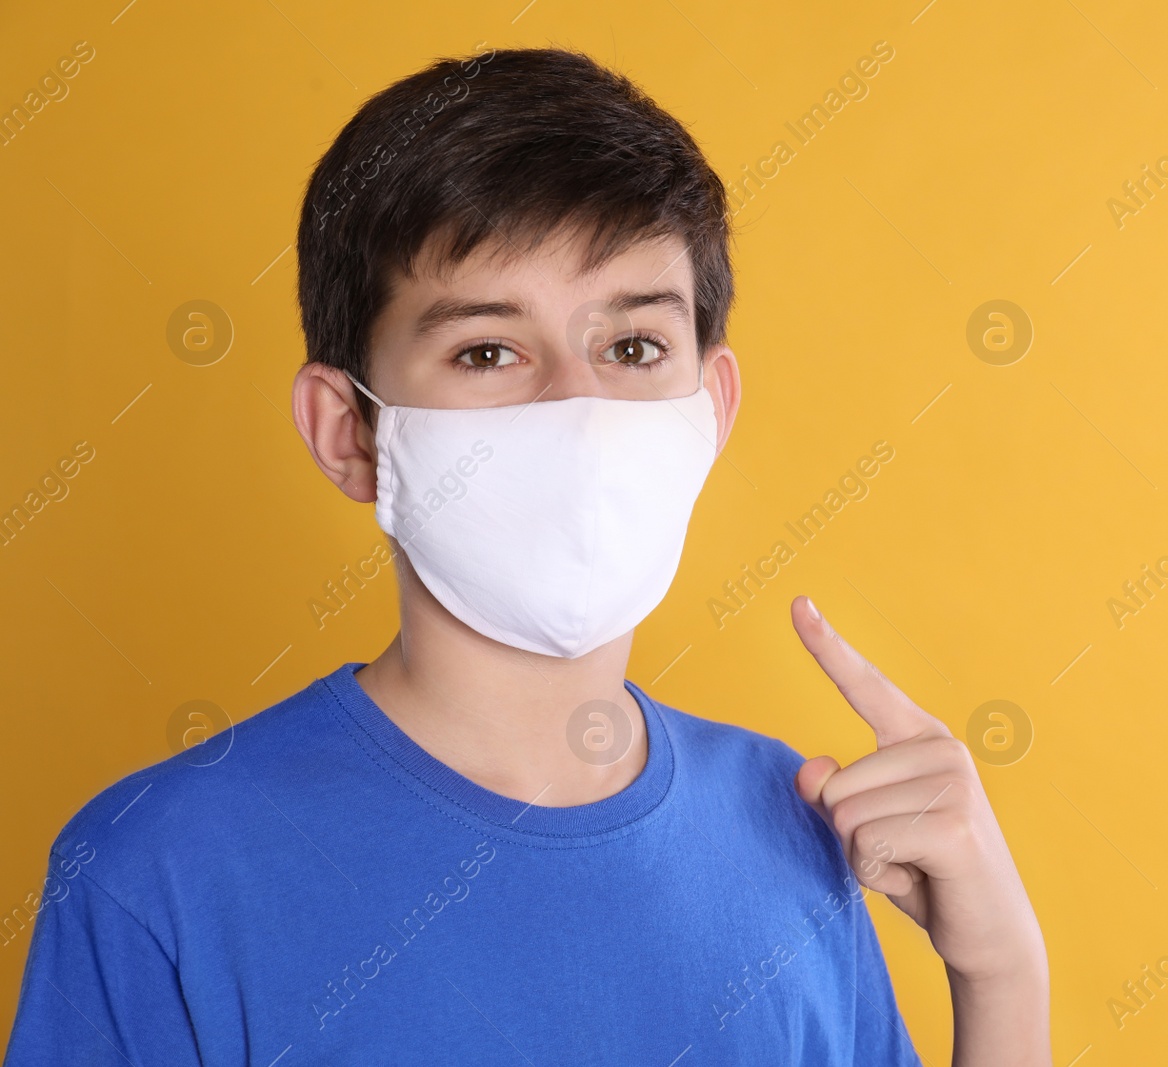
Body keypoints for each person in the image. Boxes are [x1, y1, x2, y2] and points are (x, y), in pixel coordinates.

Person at [3, 46, 1049, 1066]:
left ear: (709, 407)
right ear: (348, 431)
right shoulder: (160, 874)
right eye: (488, 351)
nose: (576, 409)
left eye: (632, 346)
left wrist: (1001, 971)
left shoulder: (797, 825)